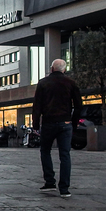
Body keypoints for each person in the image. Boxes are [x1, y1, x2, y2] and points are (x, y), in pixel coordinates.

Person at [32, 59, 82, 198]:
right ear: (64, 70)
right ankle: (64, 188)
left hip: (48, 122)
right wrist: (74, 122)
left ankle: (50, 182)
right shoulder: (71, 83)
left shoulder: (43, 83)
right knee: (65, 155)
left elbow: (37, 106)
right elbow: (78, 105)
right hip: (65, 123)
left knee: (45, 151)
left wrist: (36, 125)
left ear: (51, 68)